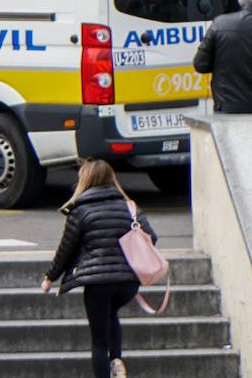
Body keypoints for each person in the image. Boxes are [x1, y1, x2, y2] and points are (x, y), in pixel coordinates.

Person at [42, 159, 157, 378]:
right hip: (128, 283)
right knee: (112, 313)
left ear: (85, 180)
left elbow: (66, 249)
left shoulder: (81, 210)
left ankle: (108, 367)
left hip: (97, 283)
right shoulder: (130, 206)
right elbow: (152, 237)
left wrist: (50, 277)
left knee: (98, 341)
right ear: (110, 178)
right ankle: (116, 360)